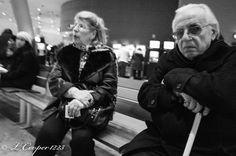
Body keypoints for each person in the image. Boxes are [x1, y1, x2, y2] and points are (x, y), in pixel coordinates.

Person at [121, 3, 236, 156]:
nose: (186, 37)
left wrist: (176, 76)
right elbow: (146, 93)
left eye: (194, 29)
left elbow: (223, 92)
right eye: (179, 33)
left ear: (213, 32)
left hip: (210, 147)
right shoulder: (169, 58)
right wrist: (178, 95)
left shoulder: (230, 57)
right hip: (160, 140)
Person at [34, 11, 117, 156]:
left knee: (81, 140)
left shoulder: (107, 55)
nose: (75, 29)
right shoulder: (65, 52)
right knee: (47, 135)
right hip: (63, 106)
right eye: (75, 25)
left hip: (91, 110)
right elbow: (53, 80)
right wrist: (75, 92)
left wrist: (84, 101)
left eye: (81, 26)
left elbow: (108, 87)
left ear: (93, 33)